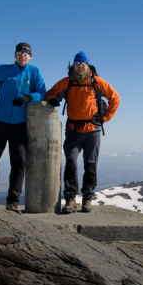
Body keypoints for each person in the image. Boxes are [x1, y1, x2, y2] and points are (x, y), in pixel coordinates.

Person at [46, 52, 120, 213]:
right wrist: (53, 99)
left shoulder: (97, 82)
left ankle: (87, 198)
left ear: (88, 65)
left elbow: (115, 98)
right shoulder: (67, 82)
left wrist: (105, 117)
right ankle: (70, 199)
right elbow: (51, 92)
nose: (80, 66)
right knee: (70, 162)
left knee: (90, 164)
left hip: (92, 130)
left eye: (83, 63)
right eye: (77, 63)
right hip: (73, 130)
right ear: (73, 65)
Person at [0, 42, 47, 211]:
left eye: (26, 53)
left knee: (19, 163)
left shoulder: (34, 71)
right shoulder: (3, 70)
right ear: (15, 55)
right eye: (19, 53)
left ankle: (12, 202)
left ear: (30, 57)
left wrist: (27, 98)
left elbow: (42, 92)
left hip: (20, 126)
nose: (22, 55)